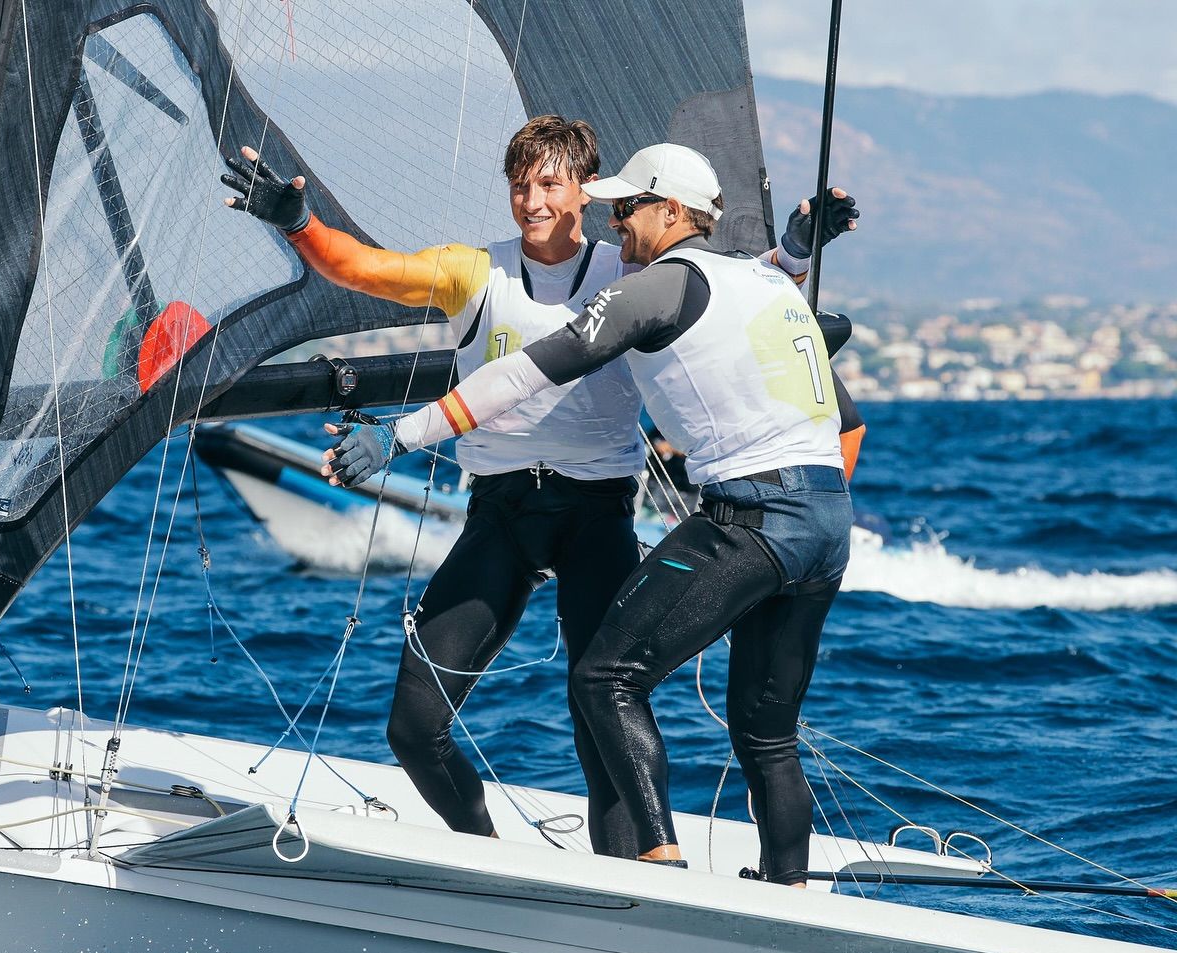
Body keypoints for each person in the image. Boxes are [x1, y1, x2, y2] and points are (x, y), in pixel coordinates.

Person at [325, 142, 855, 886]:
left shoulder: (653, 287)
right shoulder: (761, 279)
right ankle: (786, 892)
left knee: (605, 678)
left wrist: (400, 435)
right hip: (827, 521)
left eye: (628, 206)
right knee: (766, 734)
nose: (615, 220)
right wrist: (797, 250)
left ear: (671, 211)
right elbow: (778, 302)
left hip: (750, 516)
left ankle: (659, 870)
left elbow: (526, 372)